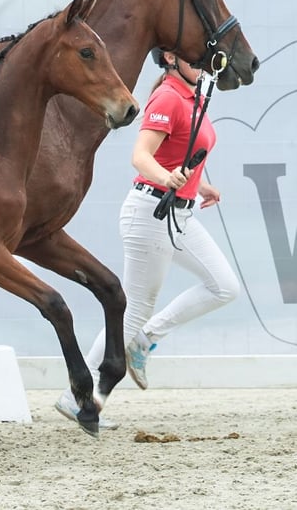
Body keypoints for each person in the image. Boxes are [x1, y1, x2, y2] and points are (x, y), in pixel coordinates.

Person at [54, 49, 240, 428]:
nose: (203, 65)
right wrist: (165, 177)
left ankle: (146, 339)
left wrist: (198, 185)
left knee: (223, 286)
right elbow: (141, 157)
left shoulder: (192, 95)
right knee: (134, 307)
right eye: (195, 58)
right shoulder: (168, 96)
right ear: (171, 58)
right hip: (151, 212)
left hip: (181, 212)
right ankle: (78, 396)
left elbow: (183, 151)